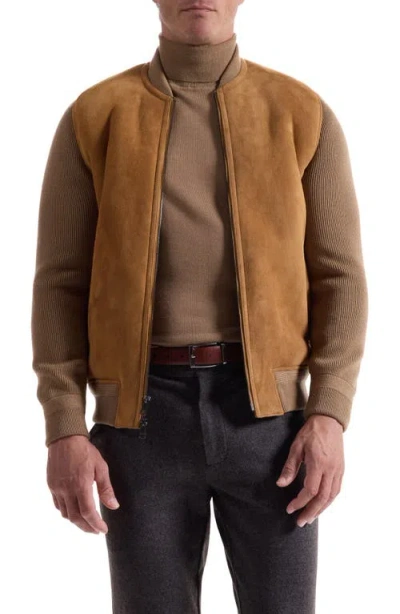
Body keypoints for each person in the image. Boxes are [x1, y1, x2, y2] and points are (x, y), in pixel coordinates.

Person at [30, 1, 368, 612]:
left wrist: (330, 414)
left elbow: (340, 279)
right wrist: (64, 426)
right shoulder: (95, 116)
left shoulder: (301, 113)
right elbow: (60, 284)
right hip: (139, 427)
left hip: (272, 429)